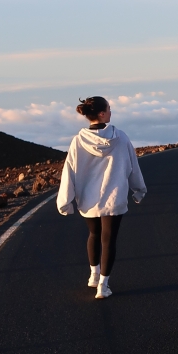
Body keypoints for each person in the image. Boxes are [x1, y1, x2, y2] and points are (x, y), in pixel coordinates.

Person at [57, 96, 147, 299]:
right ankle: (103, 286)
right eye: (109, 108)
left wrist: (65, 202)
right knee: (109, 240)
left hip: (88, 200)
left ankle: (94, 275)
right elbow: (133, 166)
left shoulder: (78, 141)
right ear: (101, 113)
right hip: (114, 199)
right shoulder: (120, 138)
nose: (111, 111)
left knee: (94, 235)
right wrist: (139, 190)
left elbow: (68, 171)